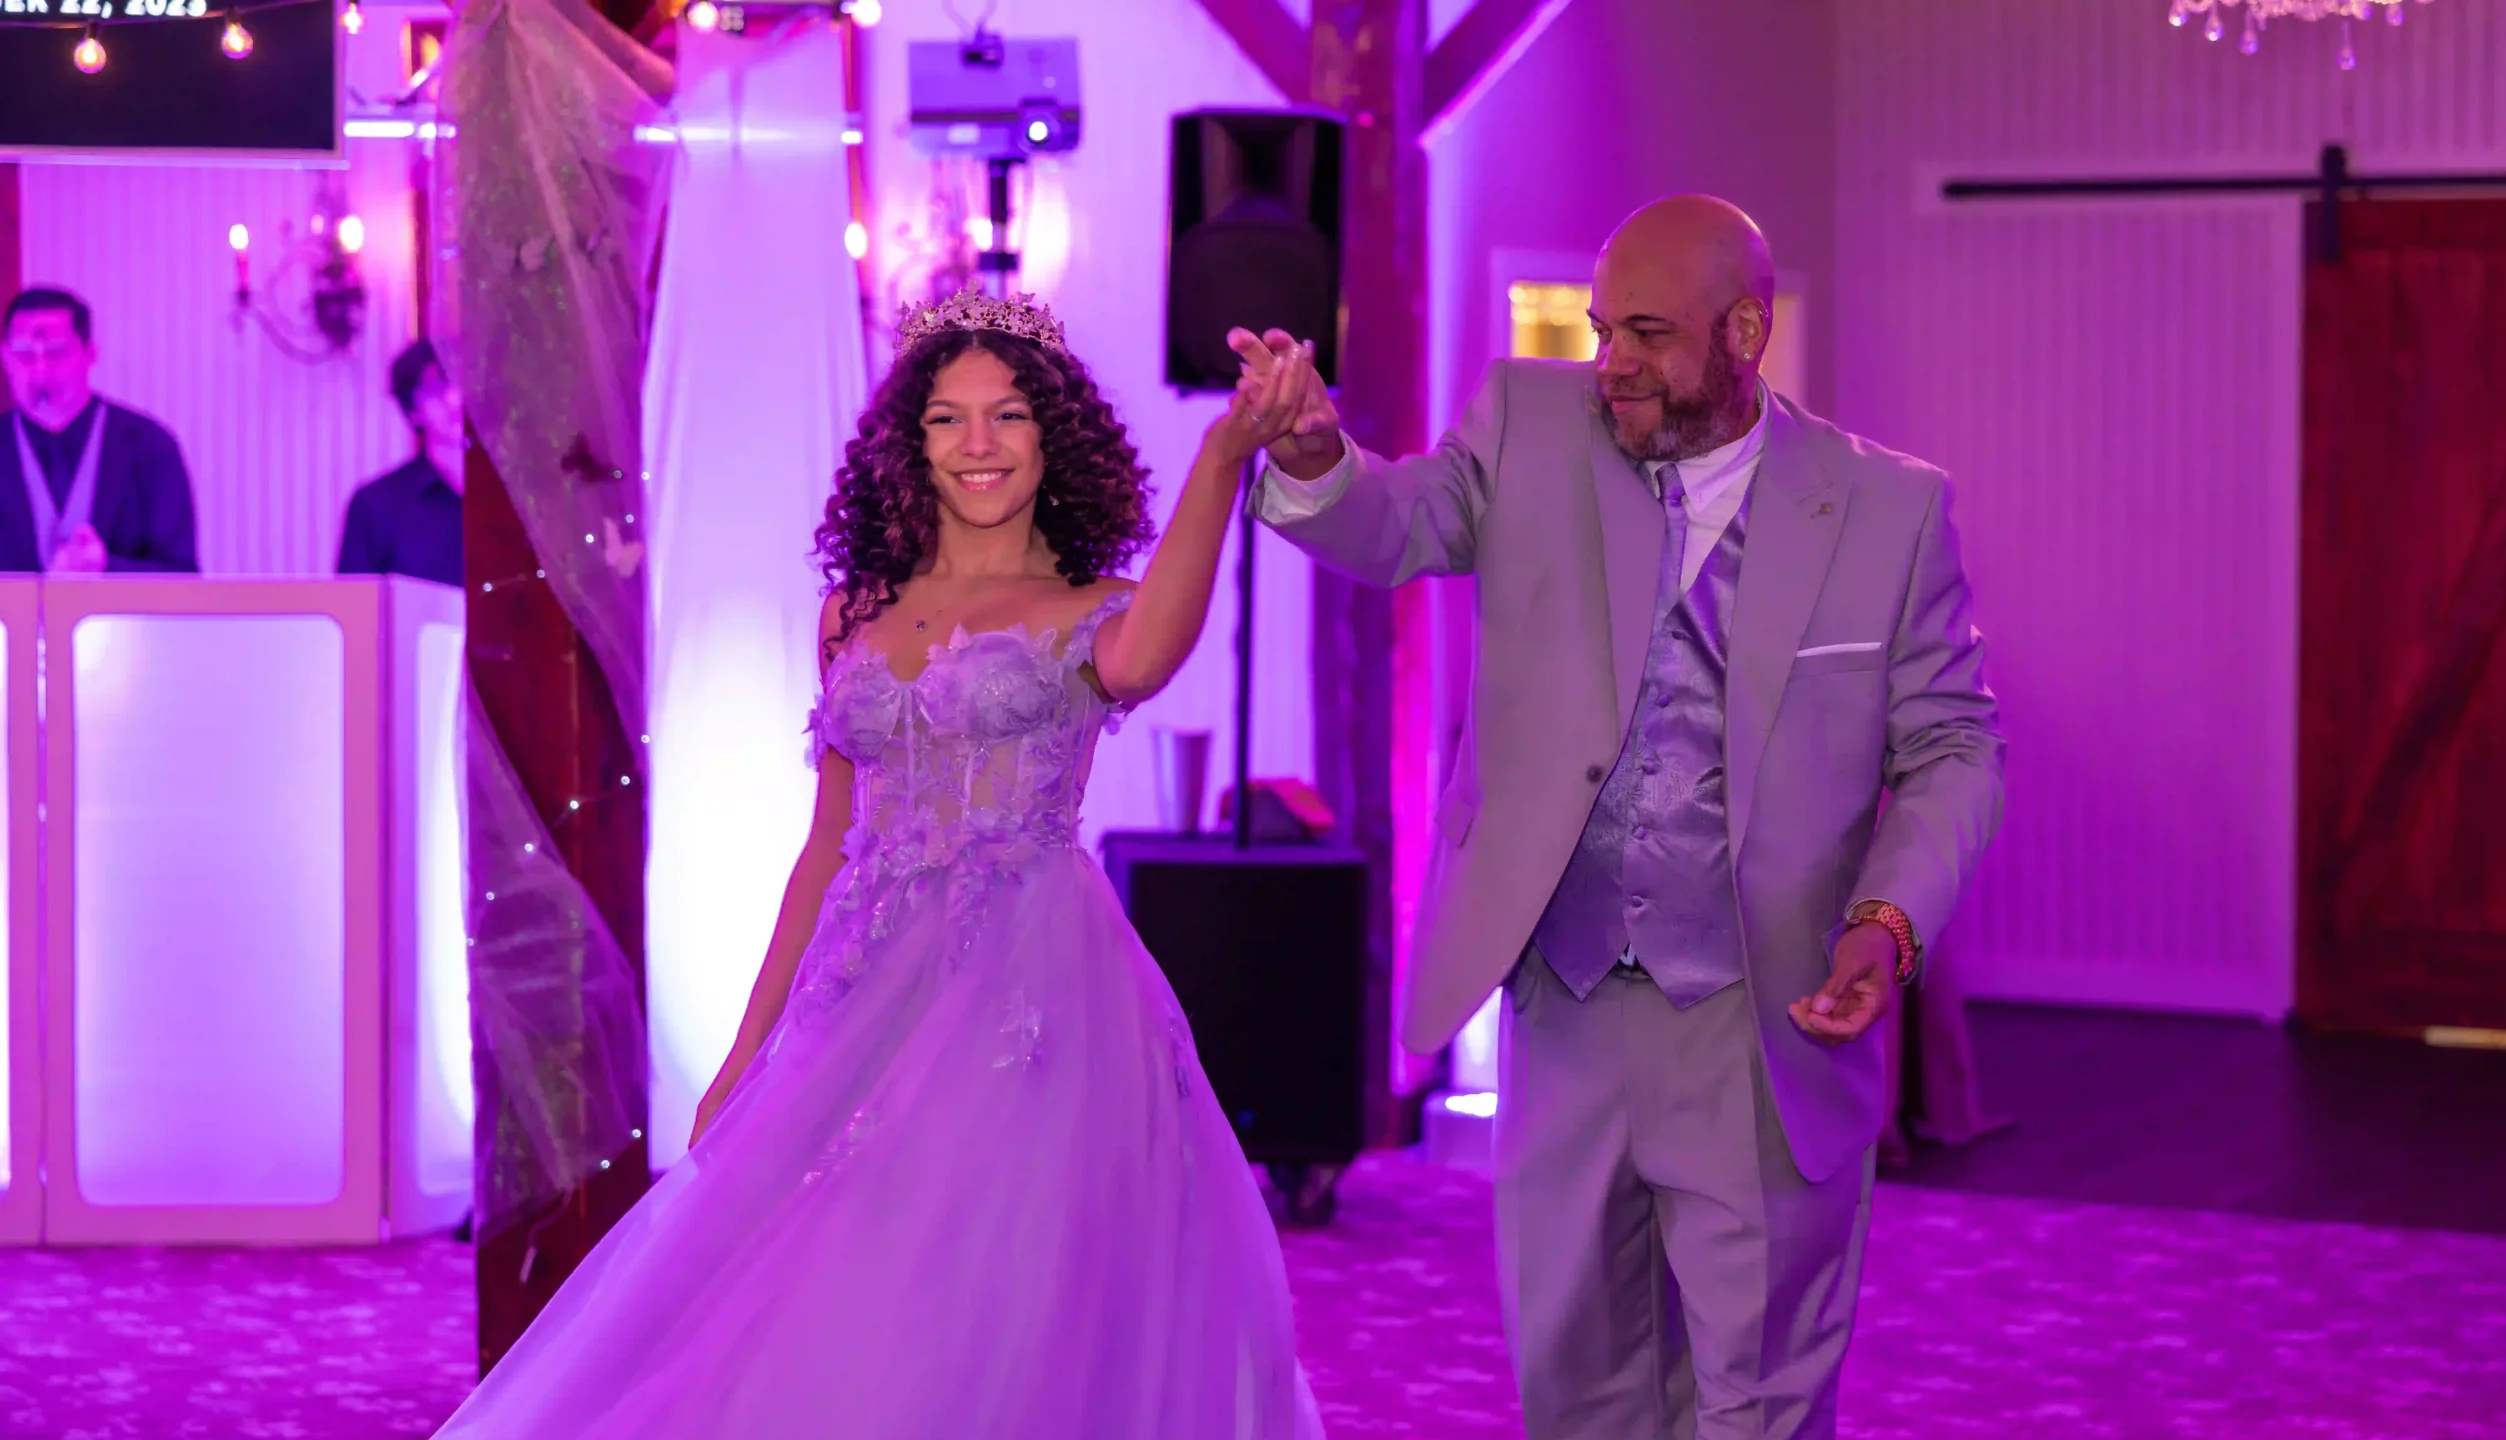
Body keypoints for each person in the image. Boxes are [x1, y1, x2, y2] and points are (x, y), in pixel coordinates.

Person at [431, 290, 1328, 1439]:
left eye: (1005, 415)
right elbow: (825, 849)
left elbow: (1152, 651)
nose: (977, 445)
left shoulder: (1092, 610)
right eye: (947, 419)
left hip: (1029, 987)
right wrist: (743, 1058)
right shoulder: (852, 611)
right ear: (912, 443)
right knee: (830, 1274)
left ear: (1053, 436)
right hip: (862, 988)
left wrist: (1224, 455)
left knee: (992, 1285)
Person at [1238, 194, 2005, 1439]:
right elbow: (1395, 522)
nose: (1614, 365)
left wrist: (1884, 921)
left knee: (1751, 1397)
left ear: (1745, 330)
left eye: (1646, 333)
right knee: (1578, 1383)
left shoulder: (1886, 508)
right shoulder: (1526, 427)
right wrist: (1318, 456)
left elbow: (1955, 745)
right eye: (1602, 330)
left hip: (1764, 1019)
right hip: (1566, 1003)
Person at [0, 287, 199, 573]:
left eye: (56, 353)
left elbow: (183, 577)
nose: (40, 371)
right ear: (5, 358)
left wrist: (107, 567)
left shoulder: (150, 446)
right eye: (24, 355)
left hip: (123, 619)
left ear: (90, 353)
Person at [338, 340, 464, 586]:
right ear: (413, 411)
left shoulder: (518, 496)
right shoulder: (376, 504)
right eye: (436, 388)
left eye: (463, 382)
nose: (454, 399)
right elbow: (355, 610)